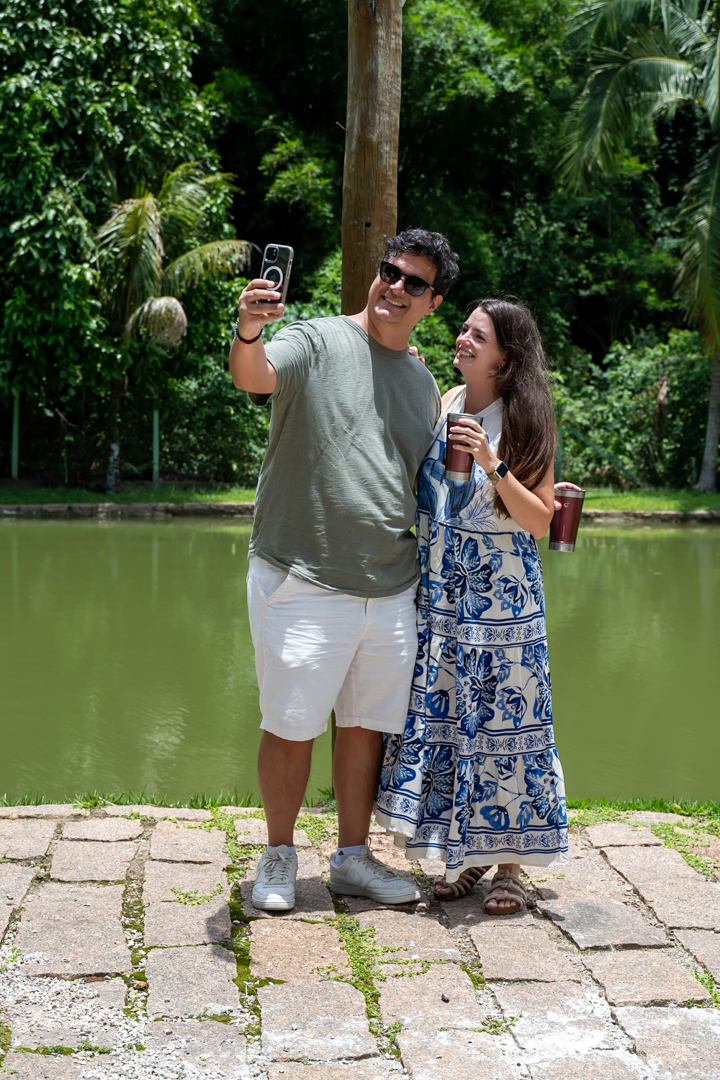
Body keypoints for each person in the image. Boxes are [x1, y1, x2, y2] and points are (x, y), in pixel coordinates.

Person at [228, 229, 460, 911]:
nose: (395, 286)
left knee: (365, 726)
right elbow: (254, 377)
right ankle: (278, 854)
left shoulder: (422, 383)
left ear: (433, 303)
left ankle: (352, 859)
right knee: (291, 722)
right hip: (302, 574)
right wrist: (248, 330)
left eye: (414, 283)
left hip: (389, 585)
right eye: (390, 271)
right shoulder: (316, 338)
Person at [375, 297, 569, 914]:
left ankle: (511, 866)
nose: (462, 338)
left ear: (504, 358)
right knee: (456, 724)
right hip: (443, 598)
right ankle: (466, 853)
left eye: (477, 336)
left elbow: (538, 520)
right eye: (463, 329)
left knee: (506, 727)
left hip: (503, 605)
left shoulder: (526, 418)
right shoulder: (447, 402)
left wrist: (492, 462)